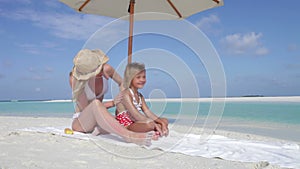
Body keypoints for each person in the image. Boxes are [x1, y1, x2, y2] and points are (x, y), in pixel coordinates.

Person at [69, 49, 157, 146]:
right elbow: (87, 109)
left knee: (125, 120)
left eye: (100, 67)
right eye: (97, 70)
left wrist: (126, 101)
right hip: (82, 122)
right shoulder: (75, 80)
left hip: (100, 116)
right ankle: (128, 136)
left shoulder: (106, 69)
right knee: (96, 104)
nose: (101, 71)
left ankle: (101, 129)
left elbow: (122, 83)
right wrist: (112, 103)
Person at [116, 62, 169, 137]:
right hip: (127, 126)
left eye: (144, 77)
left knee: (164, 120)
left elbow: (148, 112)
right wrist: (153, 124)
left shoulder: (140, 96)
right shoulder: (126, 94)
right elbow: (136, 115)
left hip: (136, 122)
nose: (142, 80)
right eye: (138, 77)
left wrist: (161, 122)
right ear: (130, 78)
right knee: (150, 125)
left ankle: (156, 130)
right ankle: (155, 130)